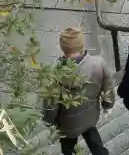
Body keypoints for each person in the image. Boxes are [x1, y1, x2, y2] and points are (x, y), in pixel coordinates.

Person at [43, 27, 115, 155]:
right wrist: (107, 106)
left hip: (67, 123)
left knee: (68, 147)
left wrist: (49, 121)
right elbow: (108, 87)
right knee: (92, 135)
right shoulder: (99, 64)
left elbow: (51, 104)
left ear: (62, 47)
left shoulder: (54, 74)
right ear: (82, 44)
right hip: (91, 115)